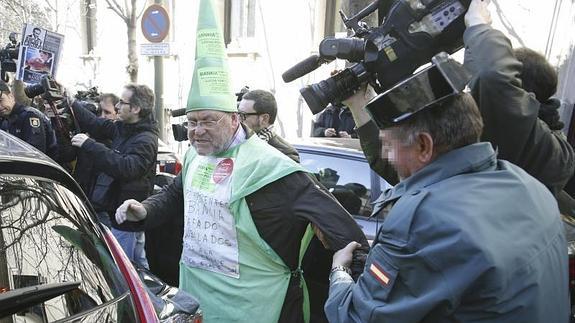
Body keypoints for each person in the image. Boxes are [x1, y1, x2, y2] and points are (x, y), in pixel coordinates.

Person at [324, 53, 569, 322]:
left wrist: (340, 273)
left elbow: (356, 318)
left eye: (388, 146)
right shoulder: (527, 184)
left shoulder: (421, 221)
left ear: (423, 146)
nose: (387, 157)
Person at [114, 94, 368, 323]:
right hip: (199, 295)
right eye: (192, 122)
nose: (196, 131)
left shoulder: (273, 167)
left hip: (260, 305)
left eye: (208, 121)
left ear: (234, 119)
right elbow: (175, 195)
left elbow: (346, 234)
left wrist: (351, 282)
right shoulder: (196, 156)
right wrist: (144, 210)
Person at [70, 84, 158, 269]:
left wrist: (89, 145)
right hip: (118, 213)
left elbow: (126, 167)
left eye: (122, 102)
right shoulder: (124, 128)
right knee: (137, 266)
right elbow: (95, 124)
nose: (117, 106)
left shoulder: (145, 139)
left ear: (135, 109)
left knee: (124, 270)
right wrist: (69, 101)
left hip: (126, 220)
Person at [0, 79, 58, 160]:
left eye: (1, 101)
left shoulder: (29, 116)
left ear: (11, 96)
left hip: (44, 169)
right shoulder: (5, 119)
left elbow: (35, 154)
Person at [237, 89, 299, 162]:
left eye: (243, 115)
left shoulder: (285, 154)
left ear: (264, 119)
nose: (238, 119)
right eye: (237, 113)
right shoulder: (237, 143)